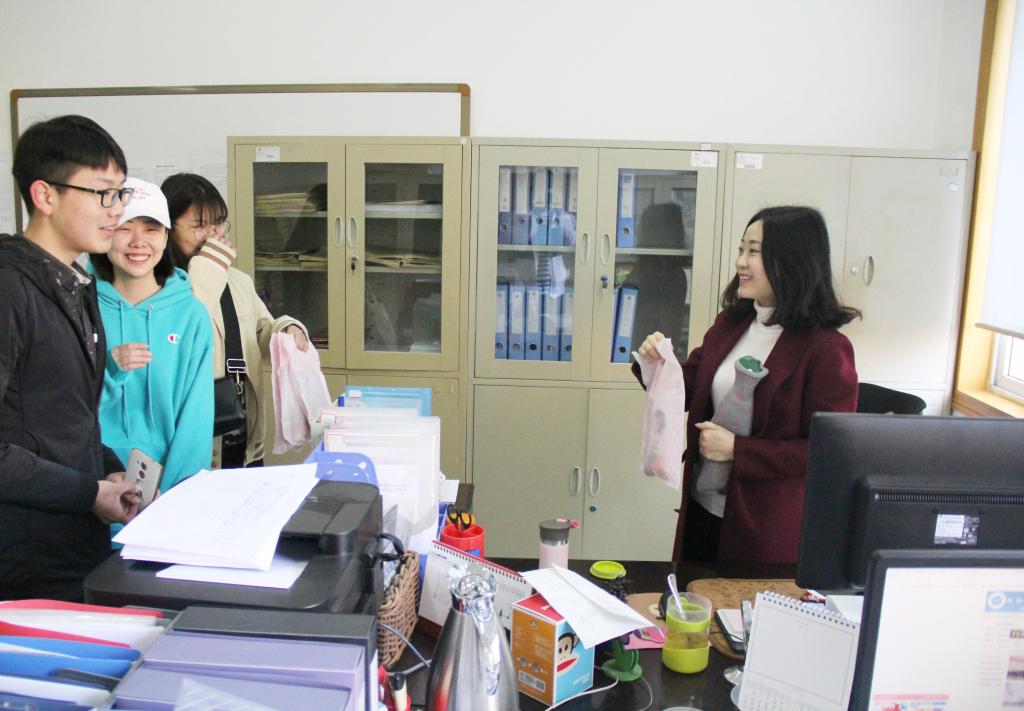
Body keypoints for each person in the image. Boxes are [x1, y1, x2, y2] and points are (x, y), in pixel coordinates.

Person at [636, 205, 860, 566]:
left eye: (753, 251)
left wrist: (739, 450)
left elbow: (828, 451)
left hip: (763, 526)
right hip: (702, 509)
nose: (741, 262)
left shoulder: (826, 349)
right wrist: (657, 363)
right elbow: (690, 387)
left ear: (792, 260)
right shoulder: (732, 323)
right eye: (741, 249)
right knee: (691, 599)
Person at [0, 115, 140, 600]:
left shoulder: (76, 284)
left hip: (74, 537)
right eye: (103, 193)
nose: (116, 211)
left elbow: (65, 417)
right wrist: (89, 492)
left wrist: (110, 469)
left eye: (120, 193)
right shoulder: (10, 287)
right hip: (25, 553)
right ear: (45, 196)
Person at [160, 173, 309, 468]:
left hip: (243, 420)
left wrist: (287, 329)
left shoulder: (238, 280)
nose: (212, 235)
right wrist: (206, 270)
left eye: (218, 223)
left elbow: (262, 330)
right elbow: (183, 331)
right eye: (199, 225)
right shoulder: (162, 286)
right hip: (195, 437)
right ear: (168, 228)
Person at [91, 177, 213, 502]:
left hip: (168, 493)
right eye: (124, 228)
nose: (138, 242)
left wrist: (176, 496)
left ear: (166, 237)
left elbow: (196, 420)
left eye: (151, 229)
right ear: (105, 231)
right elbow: (64, 412)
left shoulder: (191, 315)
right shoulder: (80, 306)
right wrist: (109, 370)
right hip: (94, 490)